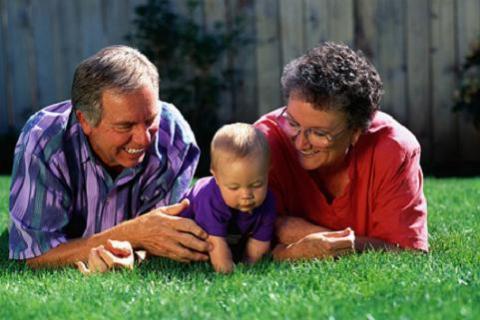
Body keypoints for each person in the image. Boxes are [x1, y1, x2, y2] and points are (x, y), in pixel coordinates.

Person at [8, 45, 211, 271]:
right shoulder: (43, 141)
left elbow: (162, 236)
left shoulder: (173, 138)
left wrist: (136, 254)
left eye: (150, 120)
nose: (144, 140)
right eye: (125, 126)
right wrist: (133, 233)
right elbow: (35, 254)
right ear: (84, 120)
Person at [254, 42, 428, 261]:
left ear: (355, 131)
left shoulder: (393, 148)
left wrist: (309, 235)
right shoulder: (262, 143)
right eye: (293, 123)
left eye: (319, 133)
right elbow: (237, 235)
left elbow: (407, 253)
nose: (300, 144)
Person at [181, 123, 276, 273]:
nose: (246, 195)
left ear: (267, 173)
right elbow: (215, 244)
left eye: (257, 184)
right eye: (234, 187)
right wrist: (229, 275)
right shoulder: (209, 198)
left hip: (231, 237)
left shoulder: (268, 202)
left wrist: (249, 268)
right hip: (192, 235)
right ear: (216, 177)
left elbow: (260, 244)